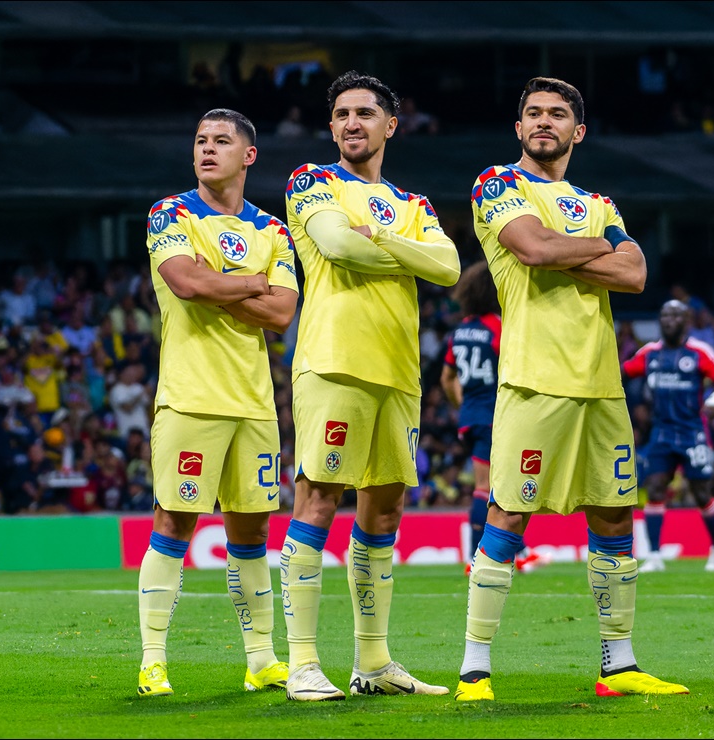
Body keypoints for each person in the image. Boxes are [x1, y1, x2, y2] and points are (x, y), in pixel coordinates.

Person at [454, 76, 687, 702]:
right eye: (532, 113)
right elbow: (530, 249)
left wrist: (568, 249)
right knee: (508, 512)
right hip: (534, 379)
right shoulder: (498, 184)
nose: (543, 122)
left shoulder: (597, 199)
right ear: (518, 127)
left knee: (613, 514)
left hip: (601, 385)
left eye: (557, 114)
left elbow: (636, 272)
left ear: (577, 131)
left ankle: (619, 664)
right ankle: (474, 669)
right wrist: (595, 250)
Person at [281, 70, 460, 701]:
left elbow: (449, 266)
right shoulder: (313, 181)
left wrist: (380, 234)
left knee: (385, 509)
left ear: (392, 123)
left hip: (398, 372)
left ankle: (373, 664)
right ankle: (302, 663)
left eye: (364, 113)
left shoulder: (414, 202)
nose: (351, 124)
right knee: (318, 501)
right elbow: (336, 246)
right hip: (335, 362)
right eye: (340, 115)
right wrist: (403, 246)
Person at [136, 108, 299, 699]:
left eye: (221, 141)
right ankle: (153, 660)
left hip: (255, 404)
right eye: (200, 139)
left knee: (251, 532)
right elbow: (186, 284)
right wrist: (252, 281)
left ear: (248, 155)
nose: (207, 149)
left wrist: (225, 282)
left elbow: (282, 314)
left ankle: (261, 659)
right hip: (190, 398)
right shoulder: (171, 213)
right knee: (174, 523)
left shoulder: (274, 230)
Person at [440, 262, 546, 575]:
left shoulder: (459, 331)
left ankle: (519, 551)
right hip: (496, 415)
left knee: (499, 485)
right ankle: (477, 558)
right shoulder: (497, 327)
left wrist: (463, 402)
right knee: (487, 487)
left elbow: (448, 378)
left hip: (472, 414)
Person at [621, 299, 714, 573]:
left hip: (692, 431)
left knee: (701, 492)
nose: (669, 320)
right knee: (655, 488)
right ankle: (656, 556)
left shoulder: (698, 352)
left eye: (676, 315)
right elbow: (621, 374)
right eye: (665, 315)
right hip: (660, 432)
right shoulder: (649, 353)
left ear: (686, 321)